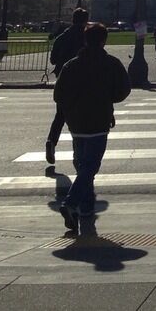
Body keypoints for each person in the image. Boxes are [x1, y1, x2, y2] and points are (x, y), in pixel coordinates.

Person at [53, 22, 131, 236]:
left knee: (82, 167)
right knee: (90, 167)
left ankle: (85, 210)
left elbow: (58, 95)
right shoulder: (111, 64)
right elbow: (124, 90)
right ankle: (71, 203)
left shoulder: (71, 65)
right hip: (99, 122)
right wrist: (108, 100)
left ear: (85, 40)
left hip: (76, 124)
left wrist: (71, 108)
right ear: (104, 40)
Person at [46, 7, 88, 166]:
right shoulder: (86, 37)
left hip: (63, 79)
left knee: (61, 114)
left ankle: (51, 140)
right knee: (80, 117)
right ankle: (78, 153)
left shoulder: (62, 37)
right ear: (85, 20)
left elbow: (53, 60)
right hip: (82, 81)